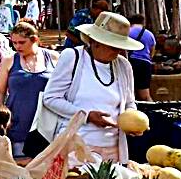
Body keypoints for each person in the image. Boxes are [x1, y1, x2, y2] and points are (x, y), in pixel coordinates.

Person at [42, 12, 140, 163]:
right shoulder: (72, 57)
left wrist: (132, 120)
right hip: (76, 146)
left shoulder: (123, 65)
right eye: (112, 46)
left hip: (113, 148)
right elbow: (51, 98)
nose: (118, 51)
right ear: (95, 41)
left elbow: (129, 102)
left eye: (120, 46)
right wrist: (87, 116)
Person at [0, 21, 58, 160]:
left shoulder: (53, 58)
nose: (17, 46)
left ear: (35, 39)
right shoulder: (9, 61)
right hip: (18, 124)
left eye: (22, 42)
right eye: (14, 43)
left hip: (47, 124)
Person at [127, 13, 156, 101]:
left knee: (130, 93)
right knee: (145, 94)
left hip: (131, 62)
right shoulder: (150, 34)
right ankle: (152, 112)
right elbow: (152, 52)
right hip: (145, 64)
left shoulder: (127, 32)